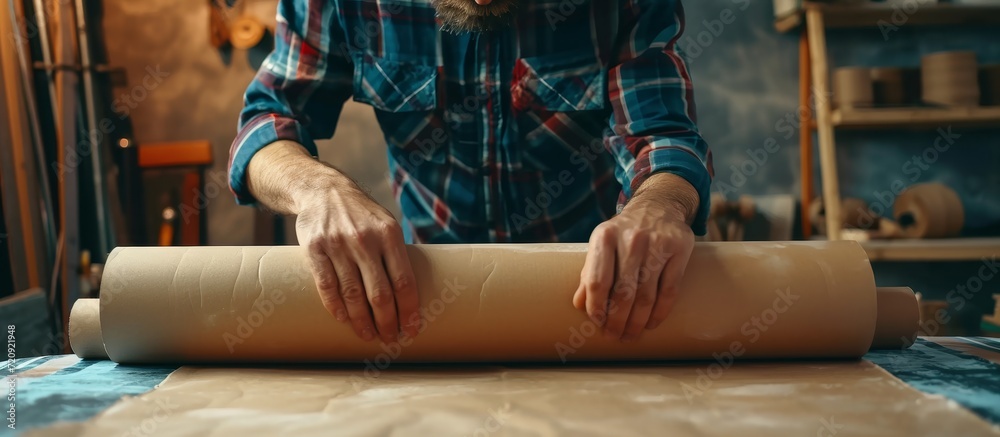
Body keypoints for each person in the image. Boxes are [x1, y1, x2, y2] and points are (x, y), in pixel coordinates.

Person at [228, 0, 713, 345]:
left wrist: (660, 204)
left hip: (591, 301)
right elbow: (264, 127)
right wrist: (317, 190)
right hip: (427, 305)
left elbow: (662, 136)